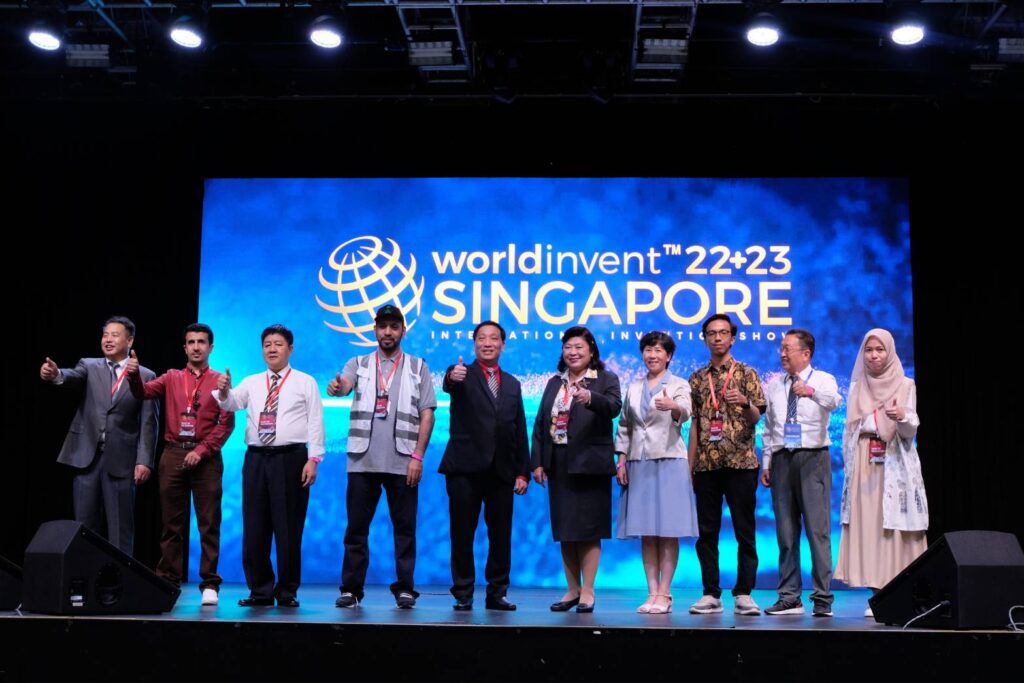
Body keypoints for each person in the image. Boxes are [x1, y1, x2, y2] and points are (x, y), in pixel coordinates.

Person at [328, 304, 436, 609]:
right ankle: (351, 590)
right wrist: (337, 387)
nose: (388, 332)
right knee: (356, 530)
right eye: (383, 327)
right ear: (375, 330)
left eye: (394, 327)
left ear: (403, 331)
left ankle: (405, 588)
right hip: (362, 461)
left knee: (405, 531)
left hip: (404, 462)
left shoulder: (418, 366)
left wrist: (417, 457)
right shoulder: (359, 363)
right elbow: (344, 385)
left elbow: (427, 414)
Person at [215, 324, 325, 608]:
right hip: (256, 459)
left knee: (288, 528)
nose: (272, 349)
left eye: (278, 344)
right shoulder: (252, 382)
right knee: (255, 527)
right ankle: (260, 591)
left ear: (290, 349)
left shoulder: (305, 382)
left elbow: (315, 422)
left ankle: (287, 591)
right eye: (267, 345)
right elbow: (231, 404)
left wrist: (313, 459)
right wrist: (224, 391)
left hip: (291, 459)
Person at [127, 323, 235, 607]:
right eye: (191, 342)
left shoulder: (220, 381)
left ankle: (209, 583)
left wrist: (202, 450)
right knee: (170, 524)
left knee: (209, 523)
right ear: (184, 348)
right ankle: (167, 581)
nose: (196, 347)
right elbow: (142, 392)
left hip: (206, 458)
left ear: (211, 347)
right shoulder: (172, 377)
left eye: (201, 342)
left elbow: (226, 424)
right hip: (173, 453)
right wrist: (133, 375)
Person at [38, 316, 159, 555]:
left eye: (115, 335)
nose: (108, 339)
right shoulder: (89, 365)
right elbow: (71, 376)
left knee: (120, 528)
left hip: (122, 460)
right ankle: (84, 575)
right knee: (84, 526)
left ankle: (120, 577)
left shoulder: (146, 376)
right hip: (86, 457)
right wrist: (56, 375)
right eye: (105, 335)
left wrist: (144, 461)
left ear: (129, 341)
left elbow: (149, 423)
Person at [835, 328, 927, 618]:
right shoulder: (856, 387)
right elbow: (849, 430)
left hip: (894, 463)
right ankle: (877, 595)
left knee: (895, 528)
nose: (874, 355)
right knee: (869, 527)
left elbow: (910, 431)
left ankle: (900, 592)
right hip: (864, 464)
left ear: (890, 352)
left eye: (879, 349)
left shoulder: (905, 384)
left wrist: (902, 418)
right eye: (869, 350)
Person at [439, 320, 529, 611]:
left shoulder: (513, 384)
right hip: (464, 469)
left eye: (493, 338)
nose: (487, 343)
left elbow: (519, 429)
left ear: (503, 345)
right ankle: (463, 593)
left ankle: (497, 592)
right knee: (462, 533)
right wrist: (452, 375)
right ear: (474, 343)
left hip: (502, 471)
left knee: (500, 535)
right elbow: (449, 382)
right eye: (482, 338)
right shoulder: (462, 374)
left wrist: (522, 471)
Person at [531, 326, 621, 614]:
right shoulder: (554, 382)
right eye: (568, 347)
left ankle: (588, 590)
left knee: (590, 530)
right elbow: (540, 424)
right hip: (559, 463)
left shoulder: (605, 379)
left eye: (579, 347)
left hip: (591, 464)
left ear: (591, 351)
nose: (573, 352)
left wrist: (590, 398)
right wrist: (538, 461)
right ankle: (572, 589)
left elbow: (614, 407)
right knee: (566, 530)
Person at [687, 313, 766, 616]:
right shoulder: (697, 378)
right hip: (706, 465)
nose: (717, 337)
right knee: (707, 532)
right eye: (711, 333)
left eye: (723, 332)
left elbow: (756, 417)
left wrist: (745, 403)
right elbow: (695, 425)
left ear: (732, 338)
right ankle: (711, 593)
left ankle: (744, 593)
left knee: (744, 530)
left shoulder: (747, 373)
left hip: (741, 463)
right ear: (705, 338)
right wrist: (690, 466)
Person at [614, 331, 697, 615]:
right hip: (639, 462)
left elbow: (686, 411)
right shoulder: (634, 387)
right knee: (647, 532)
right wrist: (621, 460)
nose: (653, 355)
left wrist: (673, 407)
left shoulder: (678, 384)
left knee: (668, 531)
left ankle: (665, 592)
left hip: (669, 460)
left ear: (669, 356)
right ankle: (651, 592)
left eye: (659, 351)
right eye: (648, 350)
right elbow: (624, 425)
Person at [761, 329, 842, 617]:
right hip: (782, 458)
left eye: (788, 349)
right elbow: (770, 428)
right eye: (781, 349)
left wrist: (811, 392)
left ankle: (822, 598)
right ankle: (789, 597)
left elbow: (835, 401)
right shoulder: (774, 385)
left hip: (813, 457)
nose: (782, 354)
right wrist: (767, 462)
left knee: (817, 531)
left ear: (806, 354)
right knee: (786, 532)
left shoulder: (822, 380)